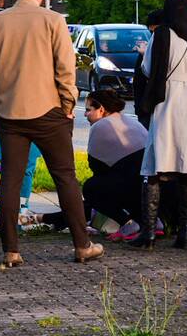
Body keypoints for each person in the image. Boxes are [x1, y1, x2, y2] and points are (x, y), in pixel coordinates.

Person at [0, 0, 104, 266]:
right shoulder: (53, 20)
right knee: (65, 178)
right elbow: (65, 69)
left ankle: (11, 250)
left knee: (10, 179)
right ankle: (82, 245)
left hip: (10, 114)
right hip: (50, 112)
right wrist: (68, 106)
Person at [129, 0, 187, 249]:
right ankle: (185, 232)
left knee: (156, 166)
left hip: (168, 102)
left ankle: (149, 233)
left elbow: (147, 70)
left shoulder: (162, 35)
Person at [39, 90, 146, 237]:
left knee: (92, 188)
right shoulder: (129, 121)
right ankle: (145, 220)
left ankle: (127, 222)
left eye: (88, 110)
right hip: (146, 185)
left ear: (101, 109)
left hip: (130, 185)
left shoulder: (100, 126)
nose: (85, 114)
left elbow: (95, 167)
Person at [133, 9, 165, 128]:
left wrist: (145, 55)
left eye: (155, 31)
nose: (153, 35)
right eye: (151, 32)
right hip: (145, 107)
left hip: (157, 107)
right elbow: (138, 81)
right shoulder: (150, 46)